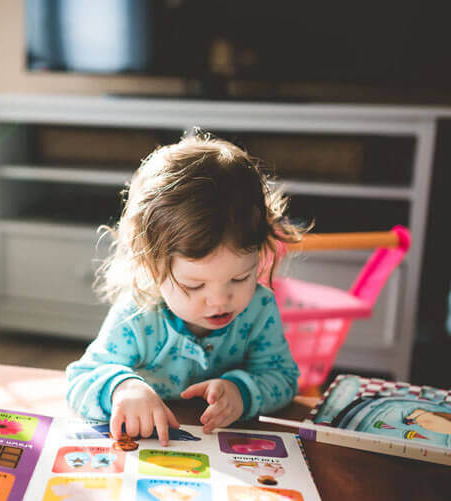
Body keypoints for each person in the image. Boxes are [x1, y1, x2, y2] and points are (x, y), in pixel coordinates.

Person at [65, 133, 306, 446]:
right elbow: (80, 380)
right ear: (151, 268)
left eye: (240, 278)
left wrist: (242, 392)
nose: (221, 299)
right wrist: (122, 388)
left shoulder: (259, 310)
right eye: (195, 285)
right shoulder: (137, 315)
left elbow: (283, 379)